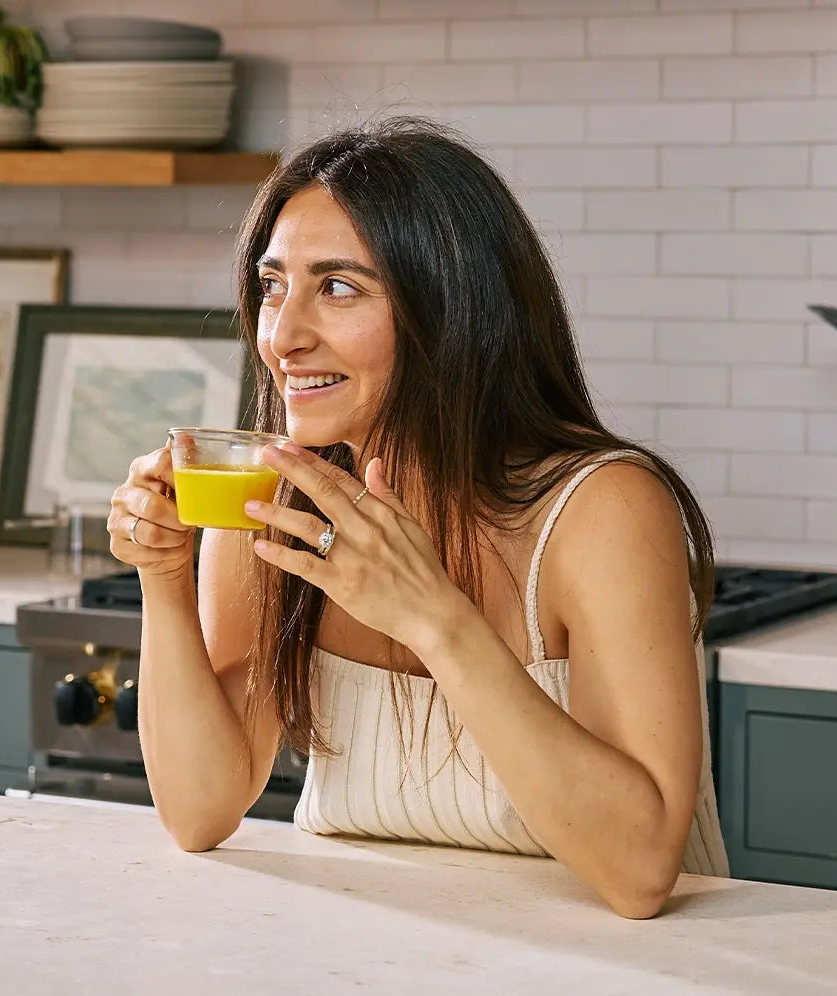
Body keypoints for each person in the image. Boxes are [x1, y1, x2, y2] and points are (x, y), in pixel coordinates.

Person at [108, 116, 727, 919]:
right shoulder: (273, 498)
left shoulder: (602, 508)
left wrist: (435, 619)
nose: (282, 336)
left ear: (452, 310)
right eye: (272, 287)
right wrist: (163, 576)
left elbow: (641, 873)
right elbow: (200, 812)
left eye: (337, 287)